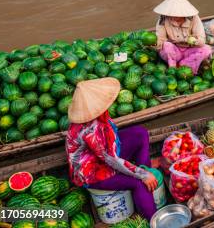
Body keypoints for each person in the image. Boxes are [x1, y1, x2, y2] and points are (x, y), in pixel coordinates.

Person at [66, 78, 158, 219]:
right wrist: (142, 175)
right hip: (93, 172)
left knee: (139, 133)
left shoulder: (96, 116)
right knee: (139, 183)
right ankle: (153, 220)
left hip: (102, 155)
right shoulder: (92, 129)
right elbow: (111, 160)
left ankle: (145, 170)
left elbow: (108, 146)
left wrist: (142, 170)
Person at [155, 0, 212, 74]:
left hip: (190, 49)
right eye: (171, 14)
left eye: (176, 15)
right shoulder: (163, 19)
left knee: (206, 50)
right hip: (174, 51)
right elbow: (161, 38)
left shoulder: (194, 18)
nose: (172, 17)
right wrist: (156, 44)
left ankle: (184, 65)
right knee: (167, 46)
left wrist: (194, 41)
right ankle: (173, 69)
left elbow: (202, 40)